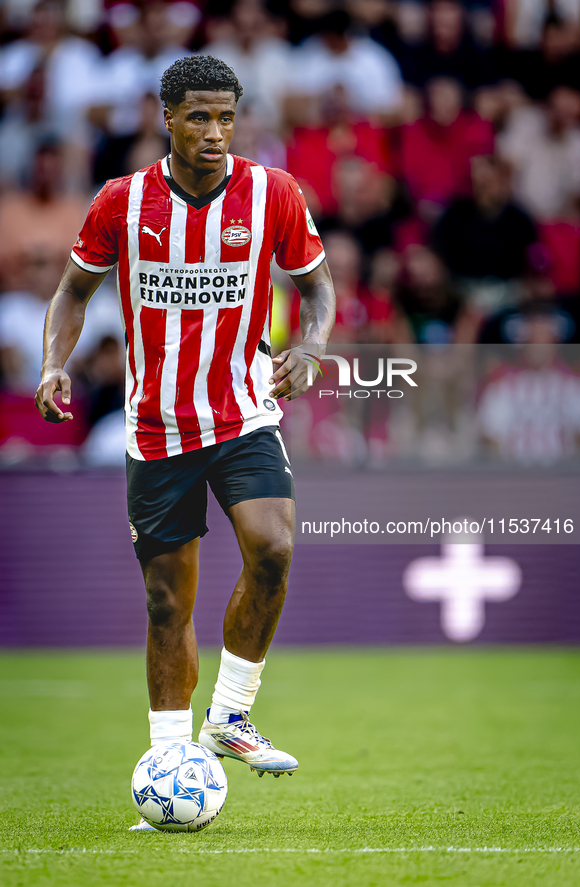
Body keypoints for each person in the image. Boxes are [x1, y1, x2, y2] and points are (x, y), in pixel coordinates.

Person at [34, 55, 336, 827]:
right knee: (168, 600)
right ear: (165, 115)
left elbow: (318, 285)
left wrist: (308, 344)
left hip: (242, 412)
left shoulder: (271, 192)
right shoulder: (121, 201)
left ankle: (230, 716)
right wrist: (54, 363)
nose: (214, 131)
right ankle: (167, 756)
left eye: (226, 116)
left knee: (273, 546)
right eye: (198, 116)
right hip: (156, 427)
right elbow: (73, 290)